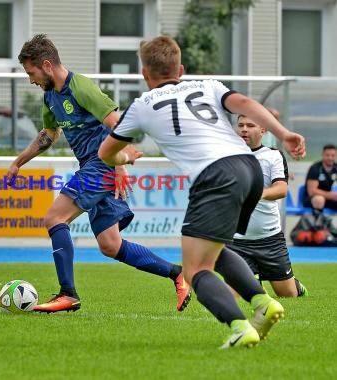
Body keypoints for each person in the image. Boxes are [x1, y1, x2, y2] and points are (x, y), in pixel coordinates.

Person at [98, 36, 306, 348]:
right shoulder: (208, 85)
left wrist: (123, 158)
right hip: (249, 168)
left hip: (215, 177)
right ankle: (263, 304)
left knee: (195, 270)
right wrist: (284, 133)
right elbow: (247, 105)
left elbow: (106, 152)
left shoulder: (141, 105)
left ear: (144, 74)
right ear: (180, 68)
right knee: (215, 250)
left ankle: (240, 326)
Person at [8, 34, 191, 314]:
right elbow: (48, 135)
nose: (30, 80)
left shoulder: (80, 86)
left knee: (54, 218)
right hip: (94, 167)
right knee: (110, 245)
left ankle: (67, 294)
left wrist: (118, 161)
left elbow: (116, 122)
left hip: (100, 164)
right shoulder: (50, 96)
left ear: (46, 65)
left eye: (31, 72)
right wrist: (18, 162)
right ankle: (177, 274)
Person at [227, 113, 308, 297]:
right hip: (237, 241)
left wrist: (256, 194)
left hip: (270, 239)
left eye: (250, 125)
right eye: (241, 125)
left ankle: (295, 285)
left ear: (262, 129)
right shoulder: (228, 155)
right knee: (234, 296)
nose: (244, 129)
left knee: (288, 295)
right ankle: (252, 283)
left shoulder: (273, 155)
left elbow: (281, 189)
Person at [304, 144, 337, 215]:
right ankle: (318, 225)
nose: (330, 158)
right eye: (327, 155)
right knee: (319, 199)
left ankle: (327, 225)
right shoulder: (315, 168)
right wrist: (332, 195)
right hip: (311, 198)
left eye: (333, 155)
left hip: (327, 198)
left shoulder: (335, 168)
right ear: (322, 155)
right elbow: (312, 192)